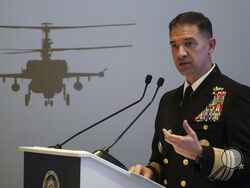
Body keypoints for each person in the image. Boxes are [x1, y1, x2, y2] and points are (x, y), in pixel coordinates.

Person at [129, 11, 250, 188]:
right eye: (174, 45)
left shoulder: (235, 95)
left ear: (210, 45)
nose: (181, 53)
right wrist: (151, 172)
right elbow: (159, 159)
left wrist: (202, 154)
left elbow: (247, 163)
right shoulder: (168, 100)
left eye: (189, 44)